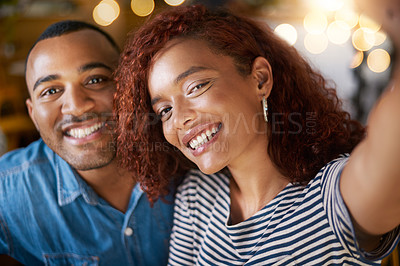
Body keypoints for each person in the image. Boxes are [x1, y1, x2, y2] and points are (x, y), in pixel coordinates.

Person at [114, 4, 400, 265]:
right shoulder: (196, 196)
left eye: (196, 87)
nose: (179, 118)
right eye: (164, 110)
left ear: (260, 79)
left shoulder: (331, 199)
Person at [0, 20, 175, 265]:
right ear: (33, 115)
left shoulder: (184, 153)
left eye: (95, 80)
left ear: (128, 86)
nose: (77, 105)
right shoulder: (8, 191)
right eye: (51, 91)